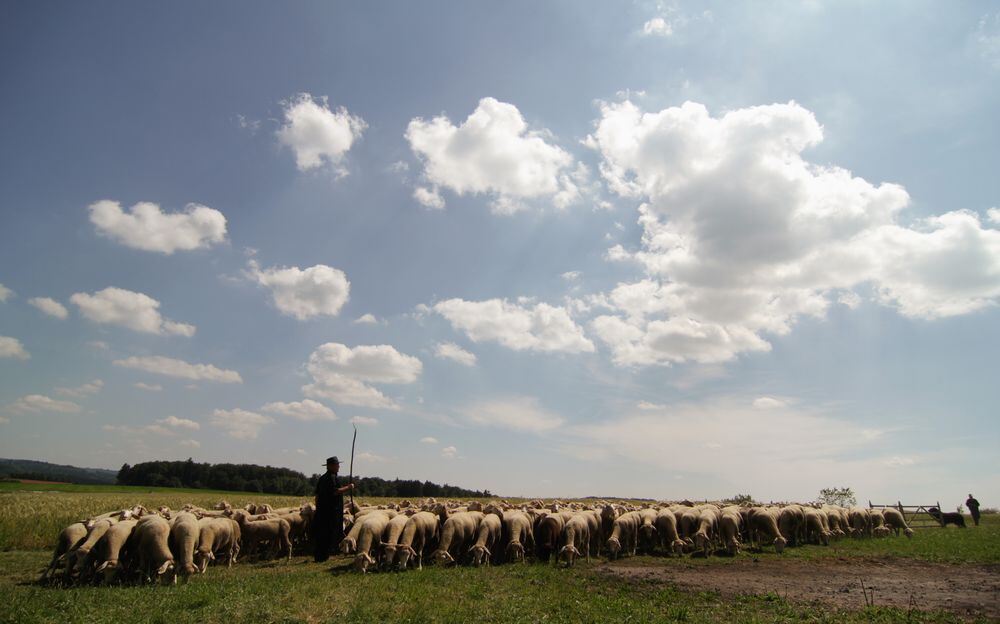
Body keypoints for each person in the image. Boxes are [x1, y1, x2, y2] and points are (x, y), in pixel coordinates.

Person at [313, 456, 354, 562]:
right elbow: (335, 491)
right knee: (328, 532)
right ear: (331, 466)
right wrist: (349, 487)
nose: (339, 467)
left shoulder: (322, 478)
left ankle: (320, 555)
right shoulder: (332, 477)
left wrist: (318, 508)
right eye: (337, 465)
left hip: (322, 511)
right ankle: (323, 556)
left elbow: (317, 495)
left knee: (322, 533)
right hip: (331, 511)